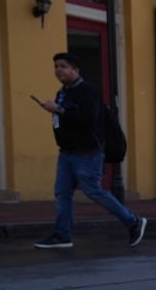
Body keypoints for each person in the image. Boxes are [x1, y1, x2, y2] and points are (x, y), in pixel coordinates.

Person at [33, 53, 146, 249]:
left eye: (63, 66)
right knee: (62, 193)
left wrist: (58, 110)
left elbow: (89, 119)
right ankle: (62, 235)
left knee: (94, 191)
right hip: (67, 152)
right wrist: (58, 111)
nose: (58, 70)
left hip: (88, 153)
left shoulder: (87, 91)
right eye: (56, 66)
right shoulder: (63, 92)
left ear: (75, 71)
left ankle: (133, 222)